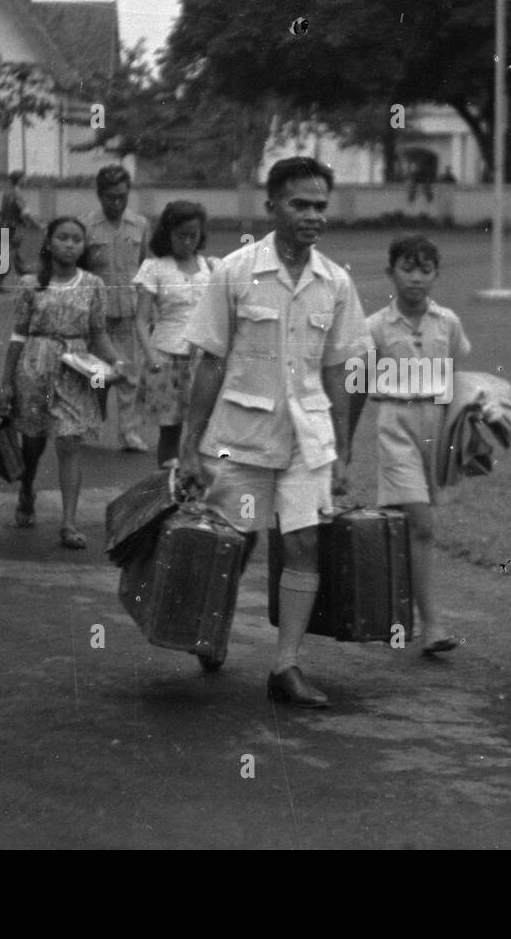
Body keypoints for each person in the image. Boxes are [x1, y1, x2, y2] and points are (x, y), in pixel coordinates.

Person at [179, 156, 370, 709]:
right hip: (242, 434)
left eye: (320, 206)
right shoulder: (235, 272)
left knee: (304, 541)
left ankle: (285, 665)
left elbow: (340, 371)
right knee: (235, 543)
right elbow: (209, 362)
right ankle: (209, 630)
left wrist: (344, 450)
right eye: (300, 205)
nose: (313, 216)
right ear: (272, 206)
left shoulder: (335, 283)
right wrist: (192, 444)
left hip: (307, 438)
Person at [352, 234, 470, 656]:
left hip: (435, 427)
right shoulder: (375, 327)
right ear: (391, 273)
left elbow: (455, 380)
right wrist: (344, 446)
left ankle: (396, 613)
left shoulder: (447, 323)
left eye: (425, 270)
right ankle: (431, 624)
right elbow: (358, 388)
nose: (416, 279)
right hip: (396, 423)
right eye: (407, 268)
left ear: (436, 274)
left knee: (408, 525)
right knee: (420, 523)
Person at [0, 217, 131, 550]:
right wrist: (6, 383)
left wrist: (116, 362)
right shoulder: (31, 284)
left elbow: (98, 333)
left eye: (76, 239)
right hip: (33, 368)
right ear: (49, 242)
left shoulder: (93, 285)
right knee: (33, 443)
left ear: (84, 246)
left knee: (70, 442)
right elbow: (19, 334)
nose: (70, 244)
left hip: (76, 369)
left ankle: (69, 523)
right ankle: (27, 490)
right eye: (63, 237)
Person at [132, 200, 218, 468]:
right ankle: (166, 496)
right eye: (181, 235)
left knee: (204, 431)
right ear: (168, 234)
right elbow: (141, 320)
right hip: (166, 359)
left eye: (194, 235)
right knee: (170, 434)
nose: (188, 241)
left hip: (204, 359)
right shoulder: (155, 268)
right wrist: (151, 357)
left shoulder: (212, 267)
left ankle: (198, 495)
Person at [80, 164, 150, 452]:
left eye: (122, 196)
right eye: (110, 197)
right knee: (98, 376)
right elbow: (80, 271)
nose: (117, 203)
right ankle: (93, 425)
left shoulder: (140, 225)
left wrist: (149, 313)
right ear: (99, 195)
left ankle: (128, 433)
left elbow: (144, 267)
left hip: (128, 314)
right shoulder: (85, 226)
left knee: (130, 376)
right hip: (97, 318)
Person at [0, 170, 42, 291]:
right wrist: (37, 226)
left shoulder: (7, 193)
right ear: (19, 179)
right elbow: (25, 214)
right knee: (10, 256)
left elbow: (4, 213)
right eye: (24, 178)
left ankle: (24, 281)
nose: (26, 180)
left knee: (16, 257)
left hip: (4, 227)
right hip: (13, 229)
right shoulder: (18, 194)